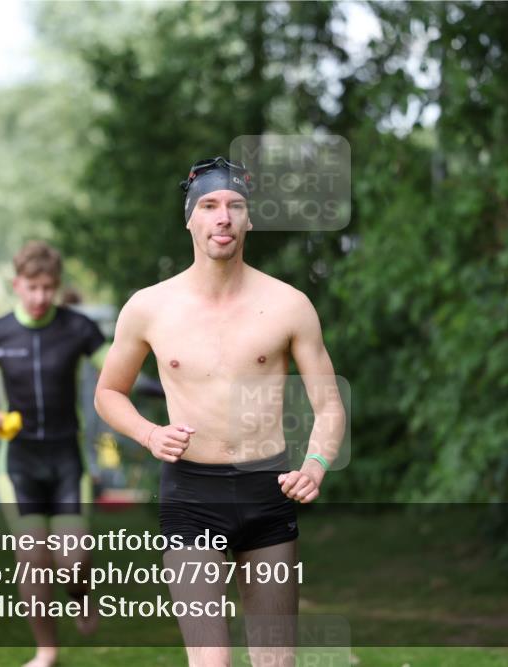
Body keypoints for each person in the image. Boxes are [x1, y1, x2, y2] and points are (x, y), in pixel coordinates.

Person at [94, 156, 346, 667]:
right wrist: (148, 435)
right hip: (191, 496)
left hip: (266, 491)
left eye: (235, 206)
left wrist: (316, 465)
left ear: (250, 219)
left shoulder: (288, 304)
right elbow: (108, 394)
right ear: (190, 218)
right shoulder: (148, 307)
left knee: (276, 662)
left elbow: (329, 405)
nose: (223, 217)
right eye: (209, 205)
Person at [0, 241, 107, 667]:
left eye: (48, 288)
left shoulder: (77, 329)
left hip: (66, 460)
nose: (40, 297)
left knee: (72, 560)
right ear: (16, 284)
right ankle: (47, 650)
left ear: (57, 287)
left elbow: (119, 372)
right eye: (32, 287)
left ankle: (80, 593)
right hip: (18, 463)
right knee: (33, 560)